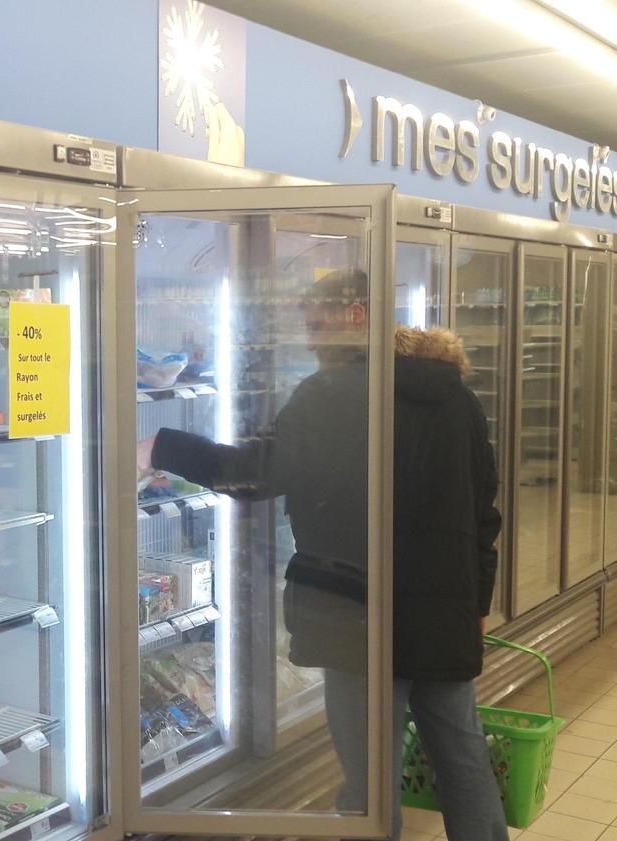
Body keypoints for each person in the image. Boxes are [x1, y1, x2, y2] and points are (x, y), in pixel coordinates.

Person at [137, 270, 505, 841]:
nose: (309, 342)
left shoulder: (336, 393)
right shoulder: (454, 395)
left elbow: (255, 474)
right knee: (463, 763)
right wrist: (477, 601)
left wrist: (161, 446)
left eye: (316, 327)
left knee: (367, 789)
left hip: (357, 614)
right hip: (442, 615)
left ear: (357, 317)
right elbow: (485, 510)